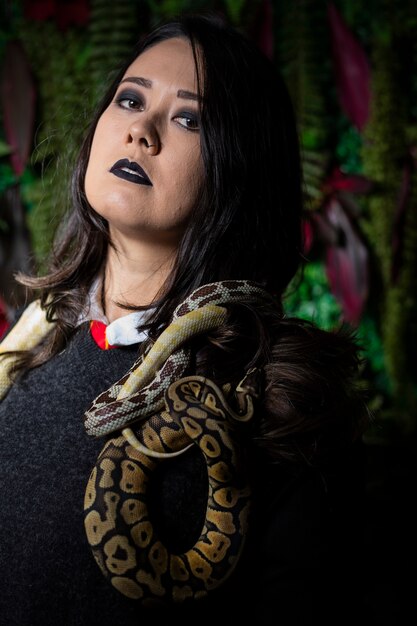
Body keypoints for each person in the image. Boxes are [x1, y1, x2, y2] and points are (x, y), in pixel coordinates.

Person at [0, 12, 369, 626]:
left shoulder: (280, 394)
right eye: (129, 99)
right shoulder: (35, 339)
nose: (140, 130)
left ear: (238, 167)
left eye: (189, 118)